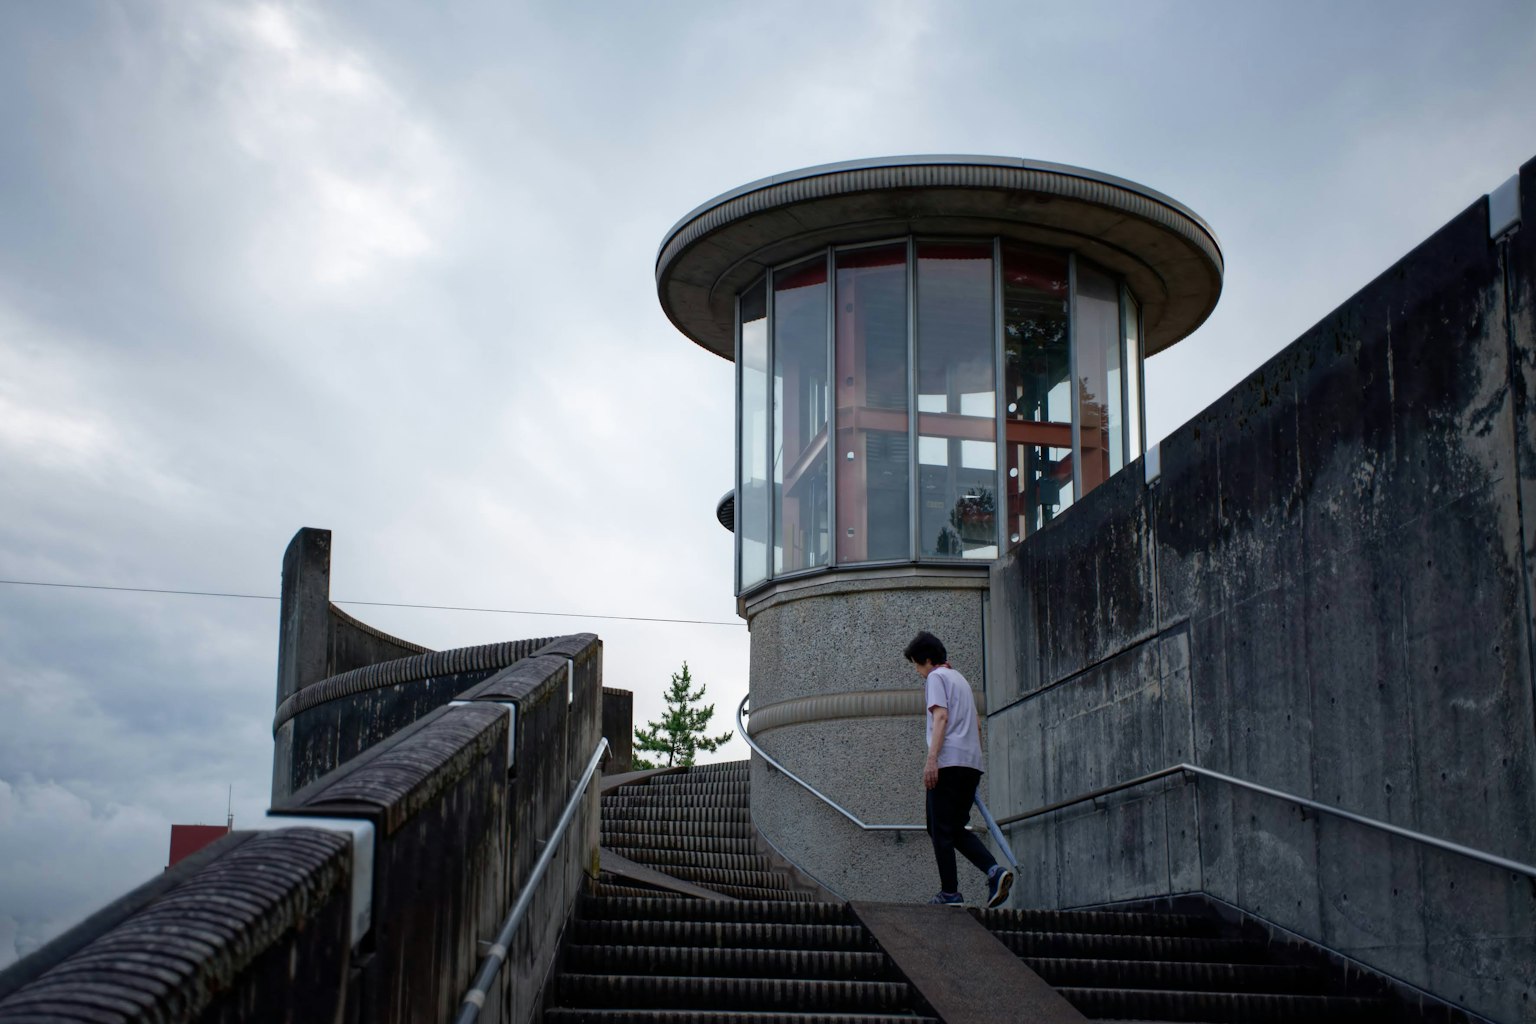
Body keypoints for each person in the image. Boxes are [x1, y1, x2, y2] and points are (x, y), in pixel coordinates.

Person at [904, 630, 1014, 908]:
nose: (917, 671)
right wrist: (974, 760)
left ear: (927, 660)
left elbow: (940, 717)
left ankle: (950, 893)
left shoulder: (936, 678)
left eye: (917, 664)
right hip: (970, 764)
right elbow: (976, 725)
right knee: (952, 827)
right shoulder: (961, 680)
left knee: (937, 827)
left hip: (948, 763)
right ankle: (994, 871)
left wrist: (932, 760)